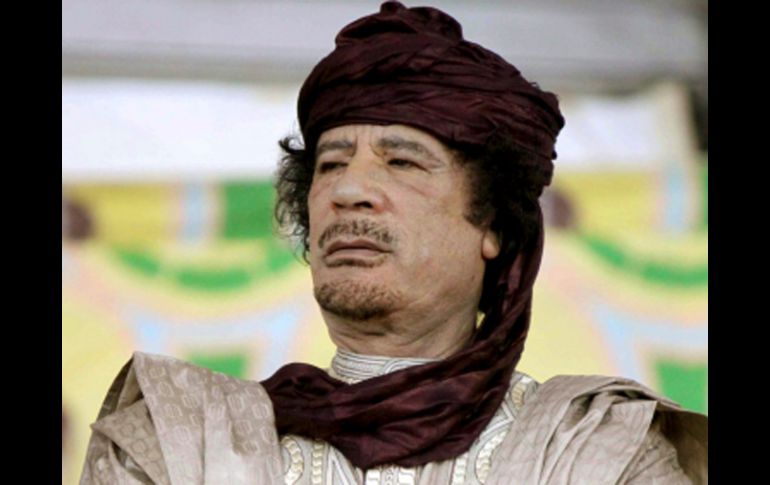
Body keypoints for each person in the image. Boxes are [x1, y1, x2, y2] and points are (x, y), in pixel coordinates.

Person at [79, 2, 708, 484]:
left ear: (493, 225)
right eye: (330, 164)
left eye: (401, 162)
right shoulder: (183, 443)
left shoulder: (596, 451)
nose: (348, 190)